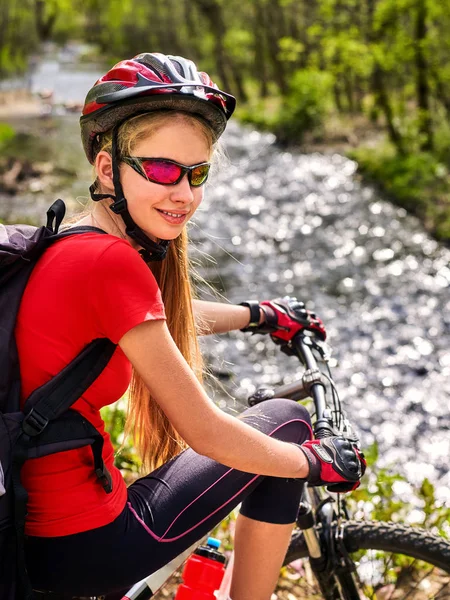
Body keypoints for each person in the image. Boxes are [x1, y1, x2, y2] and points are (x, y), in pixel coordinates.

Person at [18, 53, 365, 600]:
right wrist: (314, 460)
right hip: (84, 545)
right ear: (107, 168)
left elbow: (151, 325)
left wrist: (258, 315)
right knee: (288, 425)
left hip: (36, 536)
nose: (183, 192)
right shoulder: (110, 263)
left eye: (196, 172)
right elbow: (205, 431)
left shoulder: (71, 241)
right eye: (160, 169)